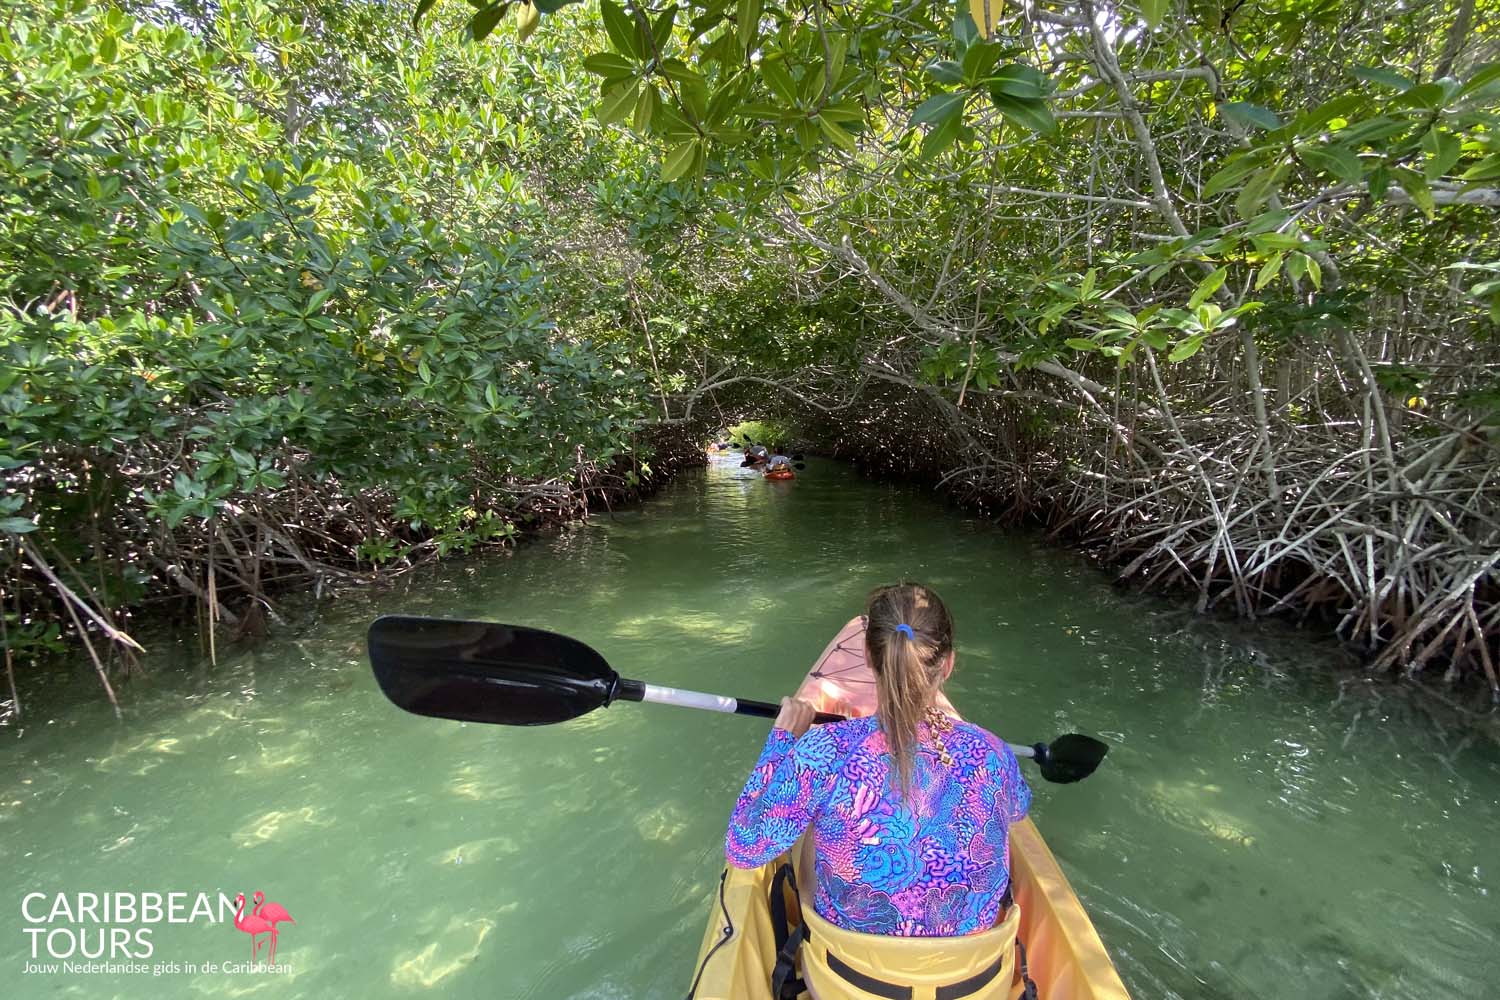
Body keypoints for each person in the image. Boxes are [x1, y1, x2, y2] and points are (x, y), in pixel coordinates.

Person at [725, 583, 1031, 937]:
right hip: (975, 981)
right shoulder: (993, 751)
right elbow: (1017, 810)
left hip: (847, 980)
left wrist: (782, 740)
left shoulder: (823, 750)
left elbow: (743, 849)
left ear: (869, 659)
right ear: (947, 665)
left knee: (812, 835)